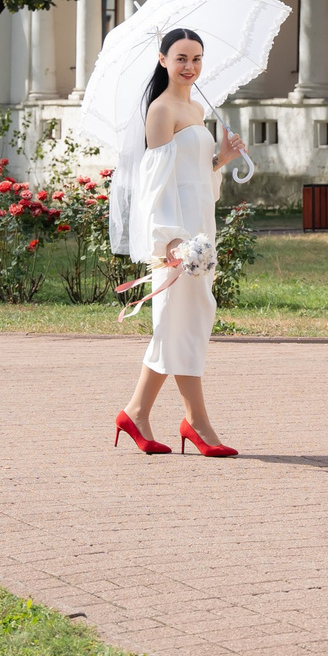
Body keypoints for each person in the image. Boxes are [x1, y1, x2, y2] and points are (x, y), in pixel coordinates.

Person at [113, 27, 246, 457]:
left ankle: (135, 412)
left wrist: (220, 161)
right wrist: (168, 240)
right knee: (182, 321)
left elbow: (195, 178)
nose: (190, 67)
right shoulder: (161, 110)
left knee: (181, 321)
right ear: (162, 60)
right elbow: (157, 185)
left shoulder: (197, 110)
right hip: (175, 238)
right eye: (181, 58)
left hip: (200, 229)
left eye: (197, 59)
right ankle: (198, 423)